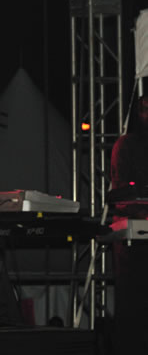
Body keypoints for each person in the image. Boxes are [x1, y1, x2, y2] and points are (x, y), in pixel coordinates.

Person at [109, 94, 148, 355]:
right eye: (144, 109)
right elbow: (122, 193)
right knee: (134, 311)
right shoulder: (126, 145)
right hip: (134, 244)